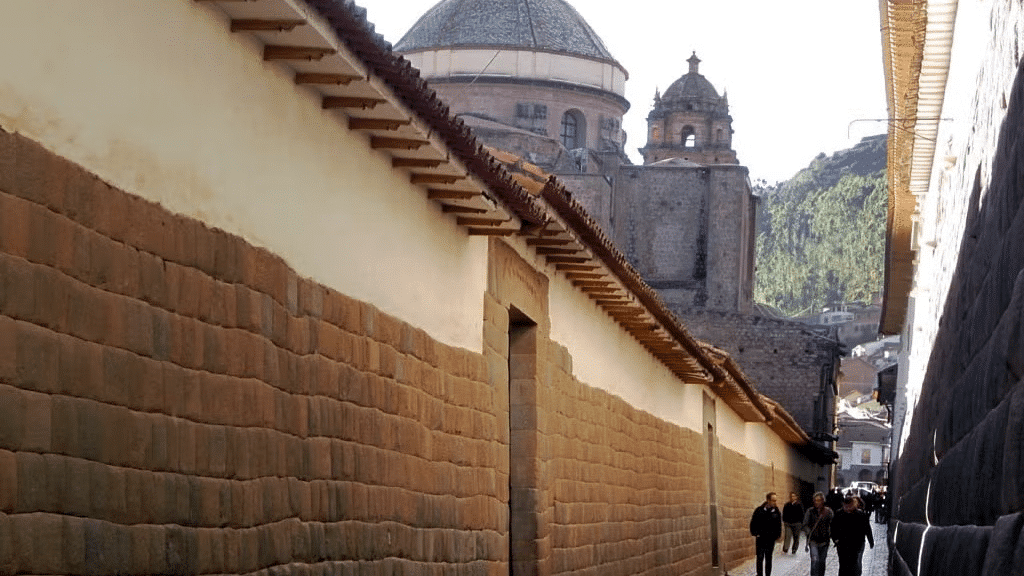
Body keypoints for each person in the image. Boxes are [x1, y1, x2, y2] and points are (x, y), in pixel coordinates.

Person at [831, 495, 874, 576]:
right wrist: (836, 539)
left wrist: (870, 540)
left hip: (856, 544)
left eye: (849, 505)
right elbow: (833, 528)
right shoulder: (839, 514)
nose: (847, 508)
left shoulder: (860, 515)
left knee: (854, 564)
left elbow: (867, 528)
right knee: (843, 564)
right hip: (842, 544)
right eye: (846, 505)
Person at [749, 492, 782, 576]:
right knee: (759, 558)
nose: (775, 502)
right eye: (773, 500)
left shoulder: (776, 511)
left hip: (770, 539)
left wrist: (777, 535)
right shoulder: (759, 510)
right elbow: (753, 523)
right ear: (768, 500)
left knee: (768, 558)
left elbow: (779, 525)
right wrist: (756, 533)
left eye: (775, 500)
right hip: (761, 538)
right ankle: (759, 574)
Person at [803, 492, 834, 576]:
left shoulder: (828, 512)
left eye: (819, 500)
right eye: (815, 500)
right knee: (815, 560)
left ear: (823, 501)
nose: (817, 502)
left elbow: (833, 524)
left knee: (822, 562)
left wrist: (830, 533)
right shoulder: (810, 511)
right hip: (813, 541)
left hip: (824, 541)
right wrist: (809, 532)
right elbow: (805, 524)